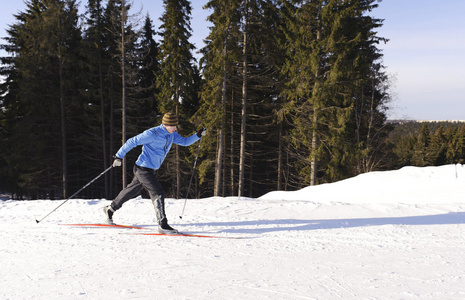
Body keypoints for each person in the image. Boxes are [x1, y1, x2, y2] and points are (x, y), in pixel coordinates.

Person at [103, 112, 206, 234]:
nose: (176, 128)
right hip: (142, 168)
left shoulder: (172, 134)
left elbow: (184, 142)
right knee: (158, 192)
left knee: (132, 191)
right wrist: (119, 156)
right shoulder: (152, 134)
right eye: (173, 126)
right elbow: (132, 141)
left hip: (150, 170)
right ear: (166, 125)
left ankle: (110, 209)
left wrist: (198, 135)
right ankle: (162, 224)